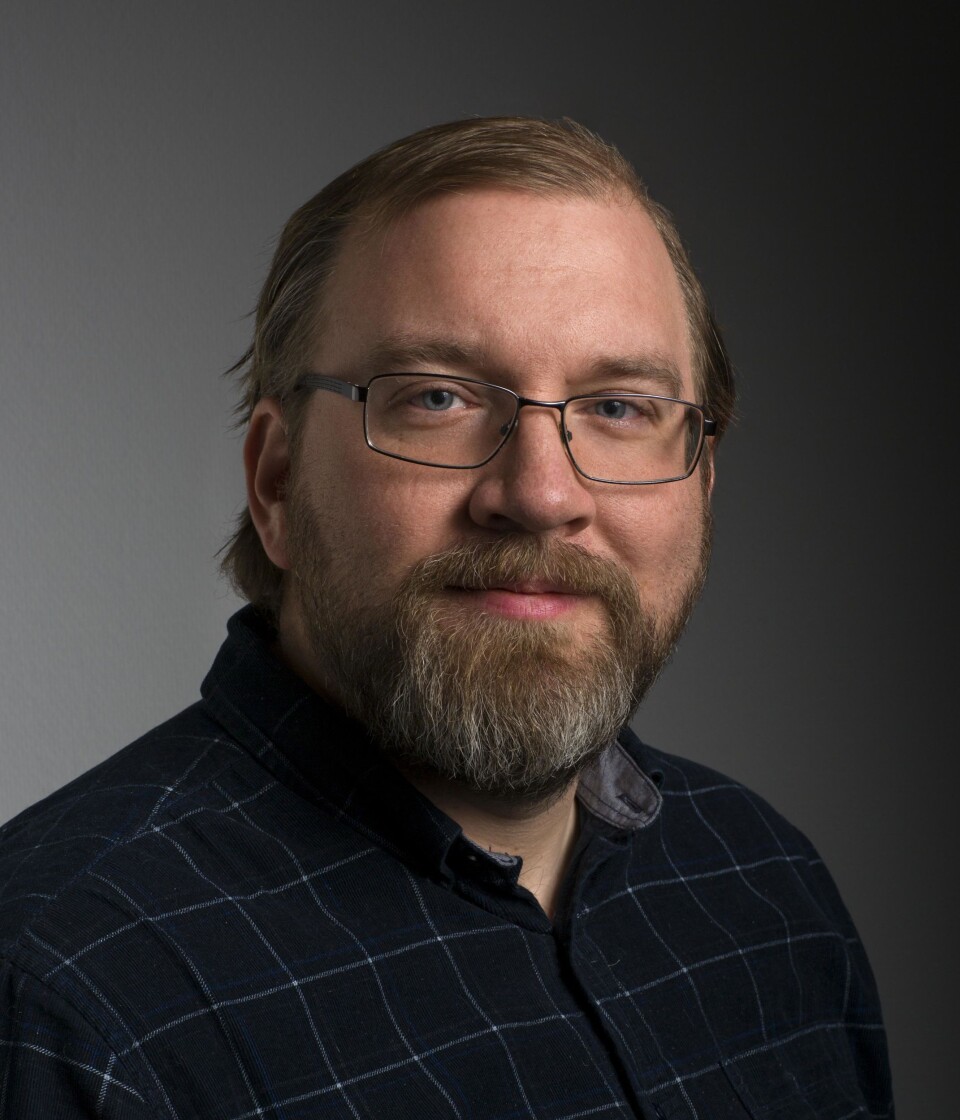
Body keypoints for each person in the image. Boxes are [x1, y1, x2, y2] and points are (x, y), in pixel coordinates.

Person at [0, 116, 893, 1119]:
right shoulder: (65, 990)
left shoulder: (765, 889)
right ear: (278, 481)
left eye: (620, 406)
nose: (541, 493)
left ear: (701, 478)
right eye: (438, 397)